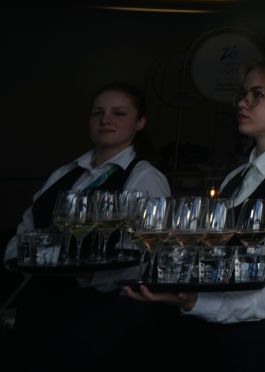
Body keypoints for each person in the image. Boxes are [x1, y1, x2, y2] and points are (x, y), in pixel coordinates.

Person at [125, 55, 265, 372]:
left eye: (257, 95)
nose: (243, 102)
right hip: (219, 335)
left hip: (261, 341)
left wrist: (194, 301)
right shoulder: (238, 176)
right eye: (244, 94)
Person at [5, 82, 171, 365]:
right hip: (41, 310)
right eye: (98, 113)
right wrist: (15, 258)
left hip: (99, 316)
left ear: (140, 122)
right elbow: (27, 228)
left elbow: (147, 254)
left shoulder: (145, 178)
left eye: (119, 113)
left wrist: (86, 274)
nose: (105, 120)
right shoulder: (66, 172)